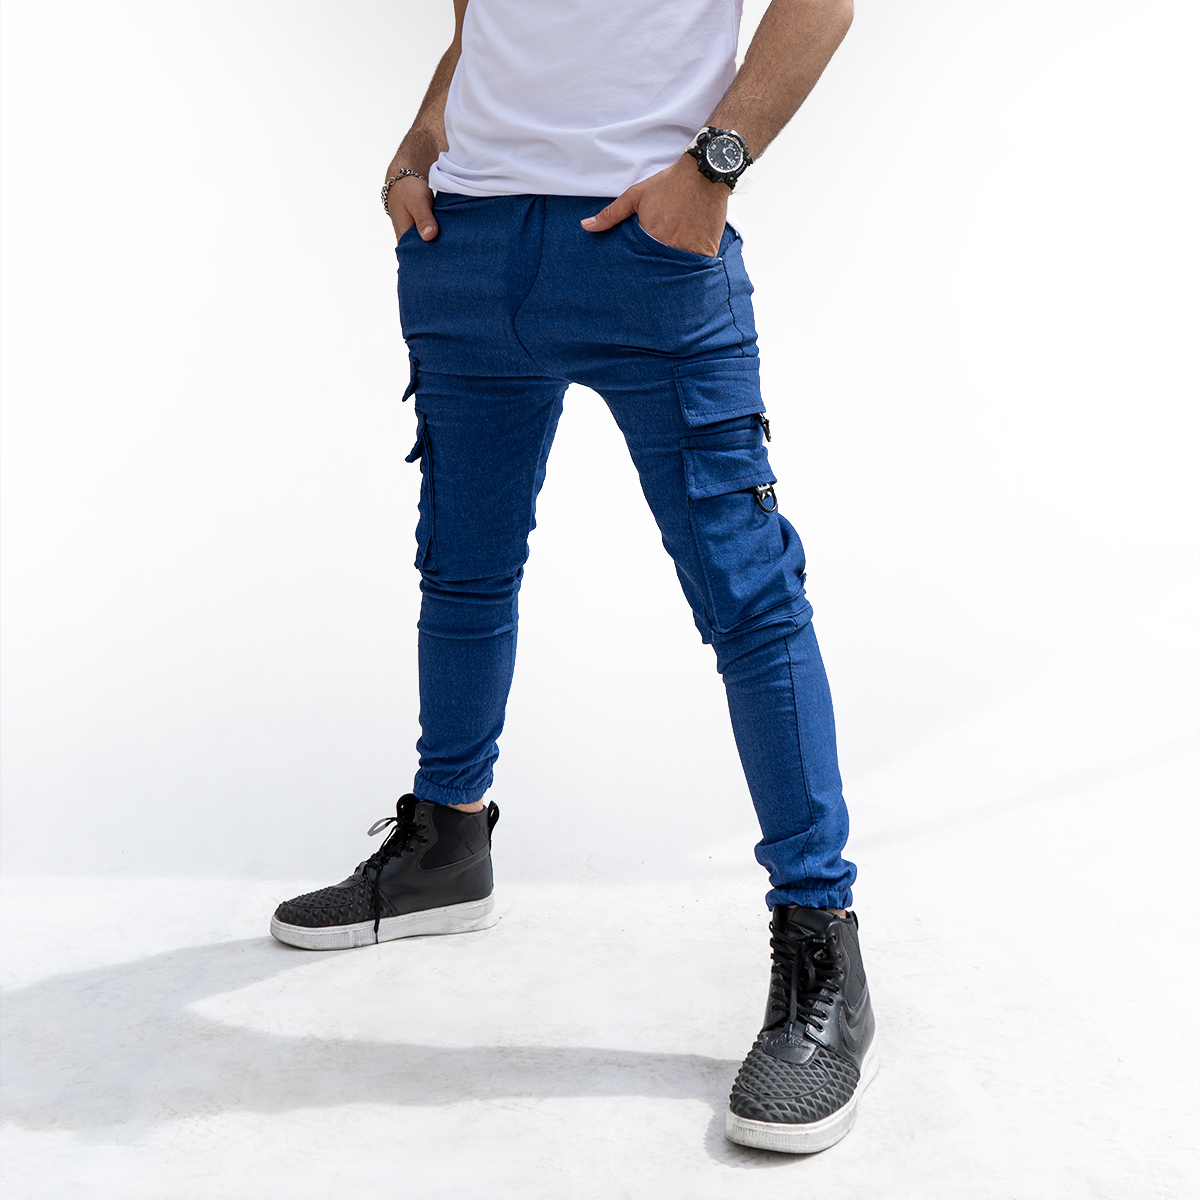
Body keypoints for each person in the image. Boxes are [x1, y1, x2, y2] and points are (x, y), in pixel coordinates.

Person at [270, 0, 875, 1154]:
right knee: (461, 567)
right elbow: (482, 24)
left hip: (647, 249)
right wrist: (418, 145)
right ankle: (448, 842)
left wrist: (714, 166)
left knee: (750, 602)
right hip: (464, 248)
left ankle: (820, 943)